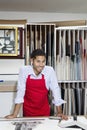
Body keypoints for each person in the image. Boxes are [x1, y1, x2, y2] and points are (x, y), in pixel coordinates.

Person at [5, 49, 68, 120]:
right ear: (32, 60)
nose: (41, 65)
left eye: (43, 61)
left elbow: (55, 90)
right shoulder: (24, 70)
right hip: (28, 112)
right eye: (38, 61)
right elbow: (20, 92)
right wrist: (14, 114)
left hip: (44, 112)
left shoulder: (49, 71)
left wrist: (59, 111)